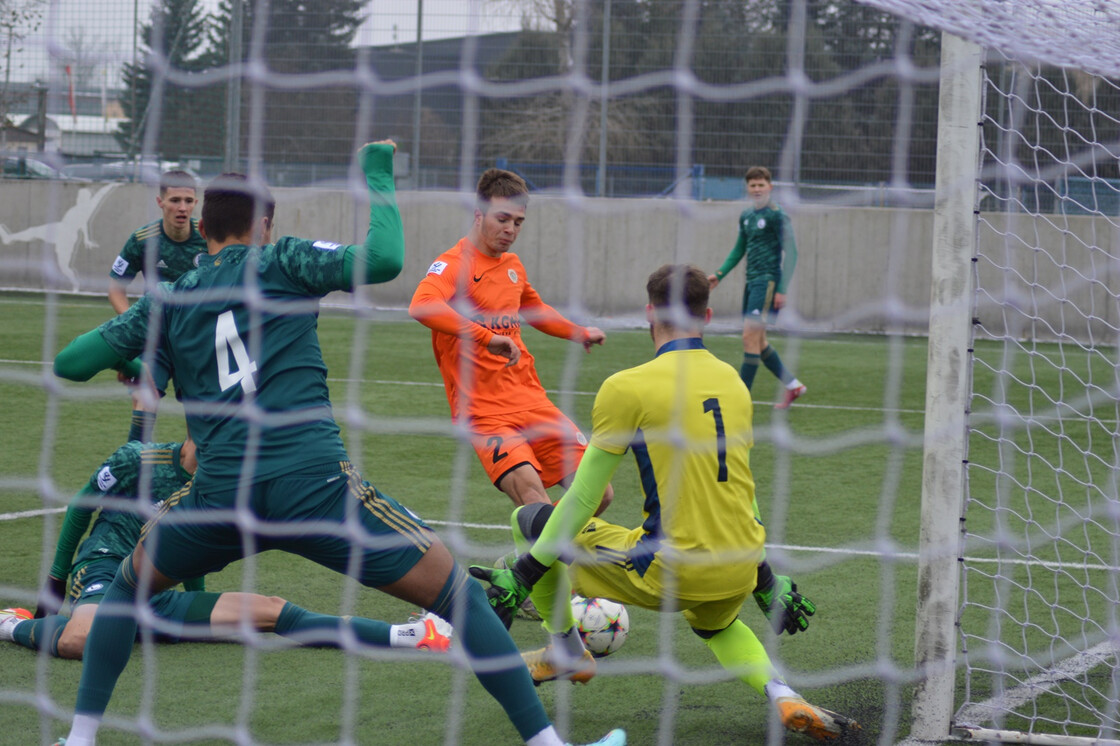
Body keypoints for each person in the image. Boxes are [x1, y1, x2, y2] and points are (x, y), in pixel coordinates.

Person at [50, 142, 625, 746]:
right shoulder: (280, 261)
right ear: (264, 225)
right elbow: (383, 259)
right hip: (315, 488)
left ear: (204, 225)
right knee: (462, 598)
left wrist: (138, 350)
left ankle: (80, 738)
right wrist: (378, 173)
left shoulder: (169, 299)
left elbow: (69, 362)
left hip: (220, 498)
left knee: (122, 592)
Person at [469, 265, 858, 742]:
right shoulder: (735, 383)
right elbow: (743, 489)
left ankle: (565, 650)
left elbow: (586, 496)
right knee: (716, 626)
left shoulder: (625, 386)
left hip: (668, 568)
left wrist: (524, 573)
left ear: (650, 312)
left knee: (529, 517)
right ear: (708, 316)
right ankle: (782, 694)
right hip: (740, 563)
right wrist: (767, 578)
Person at [0, 437, 451, 659]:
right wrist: (56, 582)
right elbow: (80, 509)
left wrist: (192, 597)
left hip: (155, 597)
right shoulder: (135, 460)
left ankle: (411, 635)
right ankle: (11, 625)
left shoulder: (223, 483)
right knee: (85, 638)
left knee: (272, 611)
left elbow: (185, 551)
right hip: (103, 570)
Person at [409, 168, 612, 513]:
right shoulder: (453, 264)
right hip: (483, 410)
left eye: (518, 222)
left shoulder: (512, 265)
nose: (510, 230)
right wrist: (486, 338)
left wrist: (579, 333)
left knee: (598, 493)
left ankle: (528, 561)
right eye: (502, 219)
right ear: (478, 215)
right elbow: (421, 306)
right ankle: (538, 558)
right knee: (535, 501)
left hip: (531, 399)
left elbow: (534, 308)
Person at [707, 166, 806, 409]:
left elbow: (792, 252)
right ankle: (793, 385)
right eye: (753, 185)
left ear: (770, 187)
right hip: (751, 283)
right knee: (758, 343)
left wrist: (781, 288)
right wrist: (720, 274)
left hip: (768, 282)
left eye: (761, 185)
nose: (757, 189)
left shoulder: (777, 215)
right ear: (748, 188)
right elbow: (739, 248)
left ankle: (739, 399)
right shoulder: (747, 216)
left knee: (748, 337)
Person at [107, 170, 207, 314]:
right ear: (160, 202)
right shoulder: (142, 240)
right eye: (175, 200)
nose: (183, 208)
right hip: (156, 324)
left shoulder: (209, 236)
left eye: (189, 201)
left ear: (196, 203)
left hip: (195, 326)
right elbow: (116, 287)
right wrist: (130, 321)